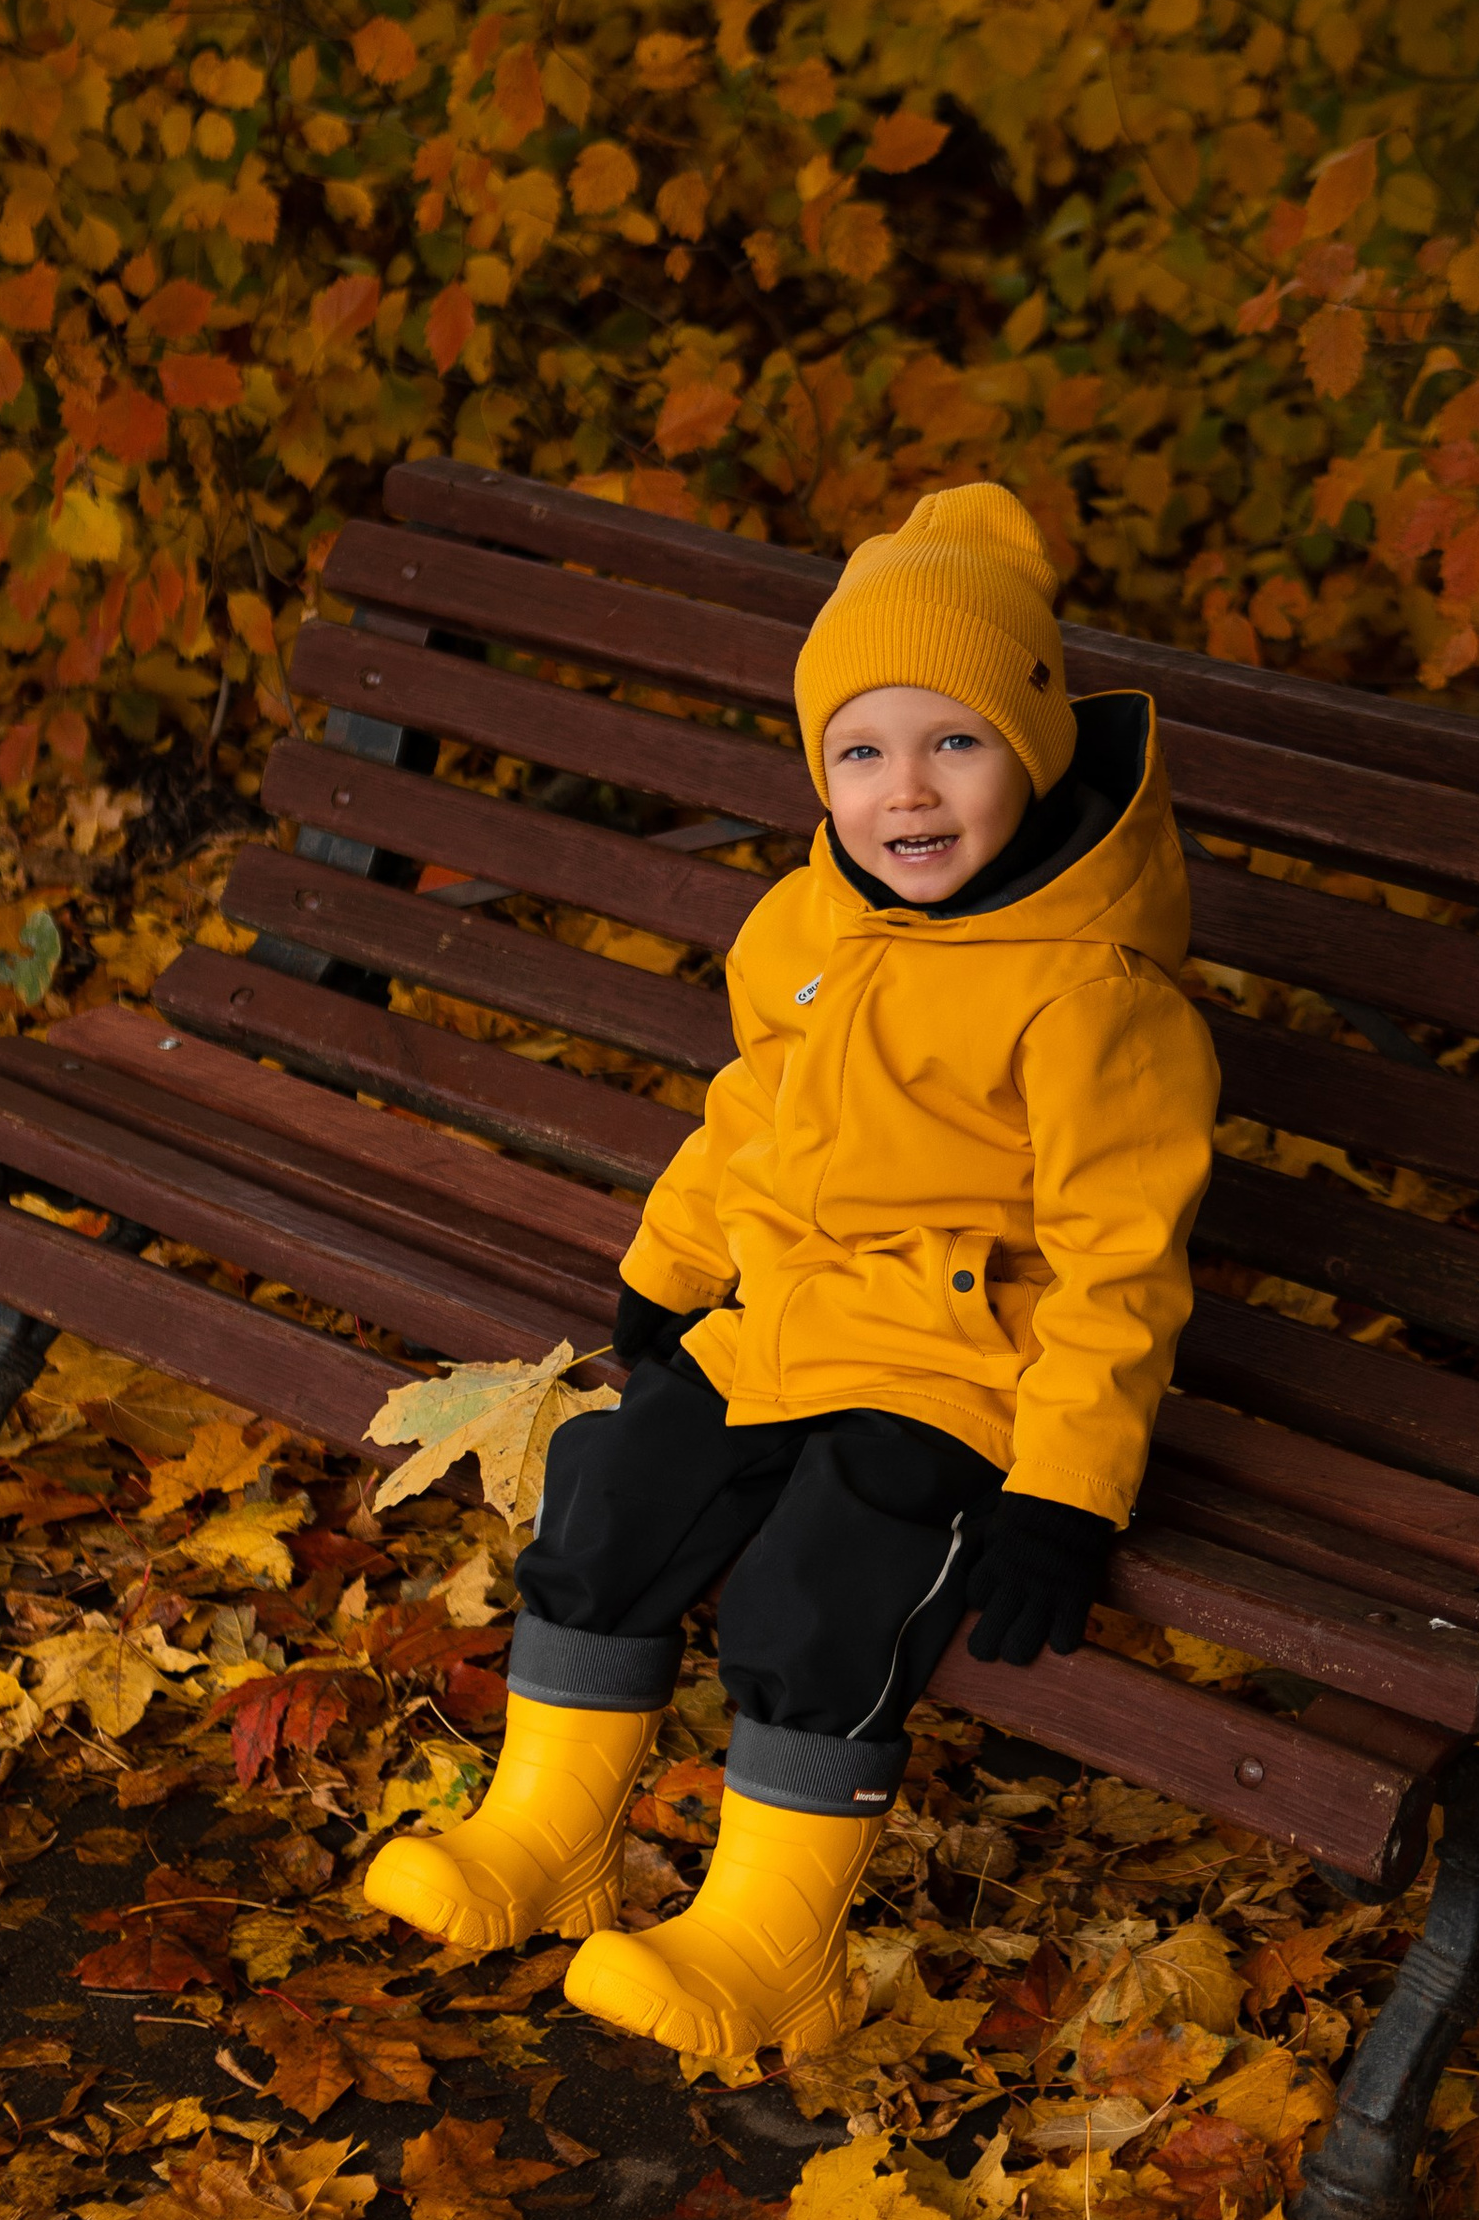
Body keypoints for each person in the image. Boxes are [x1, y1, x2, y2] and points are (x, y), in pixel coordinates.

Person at [361, 482, 1221, 2065]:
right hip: (781, 1324)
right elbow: (750, 1117)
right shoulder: (804, 925)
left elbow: (1124, 1261)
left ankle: (775, 1944)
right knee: (616, 1491)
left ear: (1029, 753)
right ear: (821, 771)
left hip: (962, 1365)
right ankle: (545, 1835)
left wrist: (1068, 1489)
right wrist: (668, 1270)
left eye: (955, 743)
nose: (908, 792)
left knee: (821, 1578)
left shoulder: (1096, 995)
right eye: (862, 751)